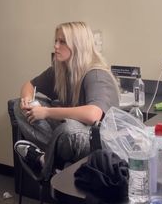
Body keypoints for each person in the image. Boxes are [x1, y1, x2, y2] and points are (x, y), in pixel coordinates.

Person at [14, 21, 120, 180]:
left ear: (78, 45)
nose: (56, 46)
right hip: (69, 133)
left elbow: (93, 115)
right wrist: (27, 101)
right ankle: (54, 161)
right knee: (18, 106)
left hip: (98, 140)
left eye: (62, 42)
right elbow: (29, 85)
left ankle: (44, 161)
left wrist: (47, 112)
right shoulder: (61, 70)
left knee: (69, 129)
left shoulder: (96, 74)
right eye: (56, 41)